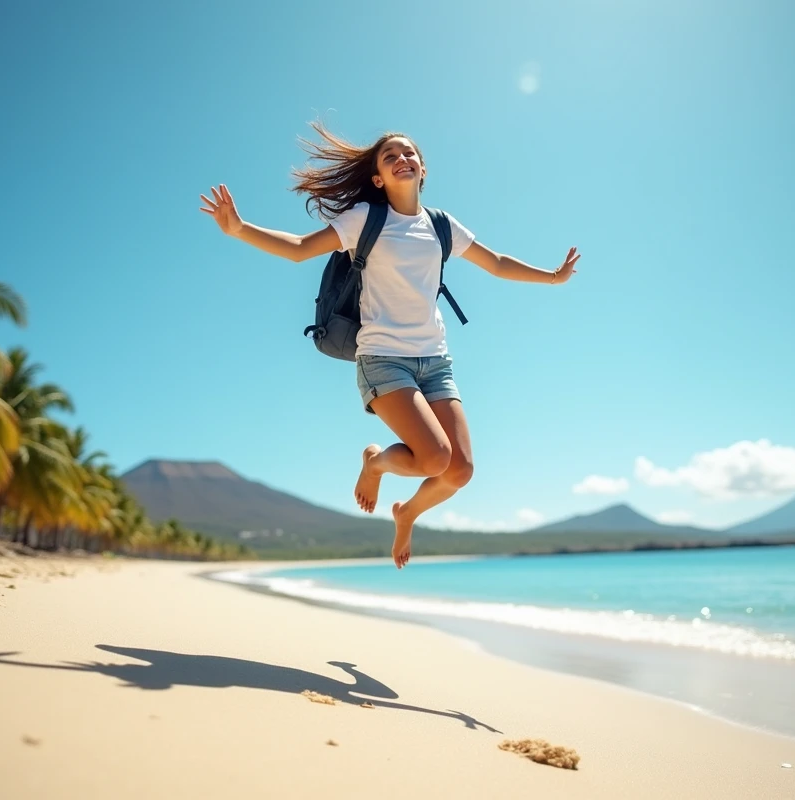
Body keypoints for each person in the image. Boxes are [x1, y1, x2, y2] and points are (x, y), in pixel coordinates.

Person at [199, 123, 579, 568]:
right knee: (435, 457)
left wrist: (551, 277)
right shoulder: (365, 219)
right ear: (378, 178)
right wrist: (239, 228)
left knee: (460, 471)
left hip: (436, 362)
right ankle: (375, 463)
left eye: (409, 154)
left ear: (422, 170)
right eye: (390, 156)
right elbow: (301, 248)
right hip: (382, 359)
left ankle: (406, 513)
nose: (402, 159)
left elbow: (494, 263)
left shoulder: (441, 225)